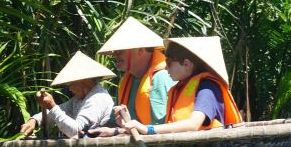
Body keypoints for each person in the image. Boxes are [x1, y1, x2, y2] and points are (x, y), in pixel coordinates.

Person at [103, 36, 244, 136]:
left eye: (169, 63)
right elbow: (169, 125)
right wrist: (124, 125)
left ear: (187, 64)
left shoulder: (207, 88)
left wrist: (148, 130)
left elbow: (193, 125)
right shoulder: (180, 87)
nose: (165, 68)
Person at [17, 52, 116, 139]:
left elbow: (76, 131)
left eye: (70, 84)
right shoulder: (78, 99)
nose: (69, 89)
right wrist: (34, 121)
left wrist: (52, 106)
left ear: (82, 81)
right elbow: (57, 111)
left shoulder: (97, 98)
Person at [97, 17, 177, 125]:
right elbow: (113, 121)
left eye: (120, 50)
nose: (115, 54)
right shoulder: (127, 80)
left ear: (140, 51)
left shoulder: (161, 77)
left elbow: (160, 127)